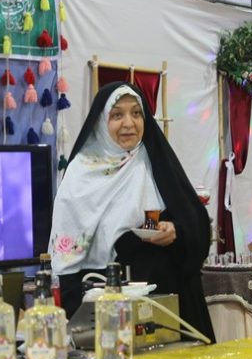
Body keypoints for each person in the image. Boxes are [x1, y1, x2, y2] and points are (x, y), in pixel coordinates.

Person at [50, 81, 215, 343]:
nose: (129, 123)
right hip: (107, 308)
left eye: (136, 113)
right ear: (101, 121)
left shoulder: (154, 160)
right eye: (117, 115)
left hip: (170, 307)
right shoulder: (80, 175)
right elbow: (67, 259)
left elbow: (193, 222)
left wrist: (175, 231)